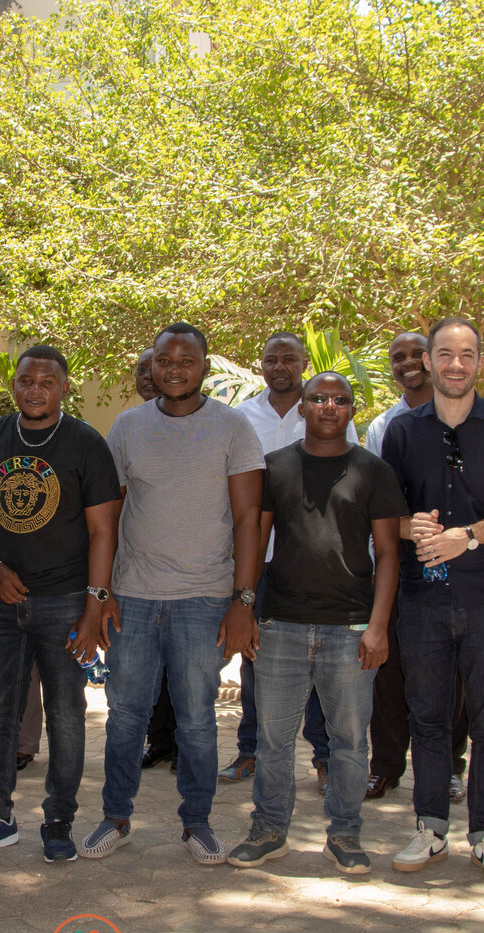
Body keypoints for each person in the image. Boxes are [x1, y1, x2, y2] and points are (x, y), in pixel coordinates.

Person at [84, 322, 264, 866]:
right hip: (134, 597)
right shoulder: (128, 427)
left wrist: (243, 601)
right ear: (153, 365)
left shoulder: (233, 428)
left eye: (187, 360)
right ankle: (116, 816)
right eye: (166, 360)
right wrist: (103, 591)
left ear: (204, 367)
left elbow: (250, 519)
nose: (175, 369)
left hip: (204, 598)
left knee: (196, 720)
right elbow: (107, 517)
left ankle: (198, 823)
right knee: (125, 717)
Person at [228, 372, 404, 874]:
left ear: (353, 410)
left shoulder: (373, 471)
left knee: (349, 743)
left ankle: (344, 834)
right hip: (281, 623)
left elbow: (389, 553)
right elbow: (255, 543)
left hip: (349, 629)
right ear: (302, 408)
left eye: (340, 400)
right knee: (273, 740)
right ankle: (268, 831)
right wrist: (246, 608)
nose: (329, 406)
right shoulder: (275, 467)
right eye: (318, 399)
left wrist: (378, 626)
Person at [0, 345, 121, 863]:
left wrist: (94, 606)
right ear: (15, 385)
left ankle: (58, 819)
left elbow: (102, 532)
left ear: (63, 388)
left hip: (66, 601)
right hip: (1, 601)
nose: (35, 390)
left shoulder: (86, 443)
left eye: (46, 382)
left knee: (67, 715)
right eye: (26, 381)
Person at [380, 317, 484, 884]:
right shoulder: (402, 431)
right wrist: (407, 524)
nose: (455, 364)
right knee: (427, 718)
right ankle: (430, 828)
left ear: (480, 362)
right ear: (429, 361)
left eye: (467, 354)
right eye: (445, 353)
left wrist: (466, 537)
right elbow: (386, 517)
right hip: (422, 600)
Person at [221, 333, 354, 788]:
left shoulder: (328, 409)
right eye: (272, 359)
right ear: (261, 364)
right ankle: (250, 752)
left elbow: (348, 479)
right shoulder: (242, 418)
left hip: (312, 562)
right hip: (256, 562)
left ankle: (324, 757)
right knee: (255, 662)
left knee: (318, 666)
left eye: (289, 359)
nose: (280, 367)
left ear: (302, 363)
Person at [361, 332, 469, 803]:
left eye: (415, 355)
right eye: (397, 358)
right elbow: (375, 500)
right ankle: (385, 766)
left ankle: (449, 765)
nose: (408, 363)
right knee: (390, 669)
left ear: (431, 360)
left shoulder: (465, 417)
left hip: (461, 558)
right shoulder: (382, 427)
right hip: (400, 562)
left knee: (451, 672)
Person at [129, 346, 178, 772]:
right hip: (137, 580)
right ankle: (159, 741)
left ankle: (181, 745)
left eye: (153, 367)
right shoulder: (127, 429)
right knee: (146, 677)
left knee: (183, 678)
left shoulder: (201, 425)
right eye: (140, 371)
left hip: (191, 581)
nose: (147, 376)